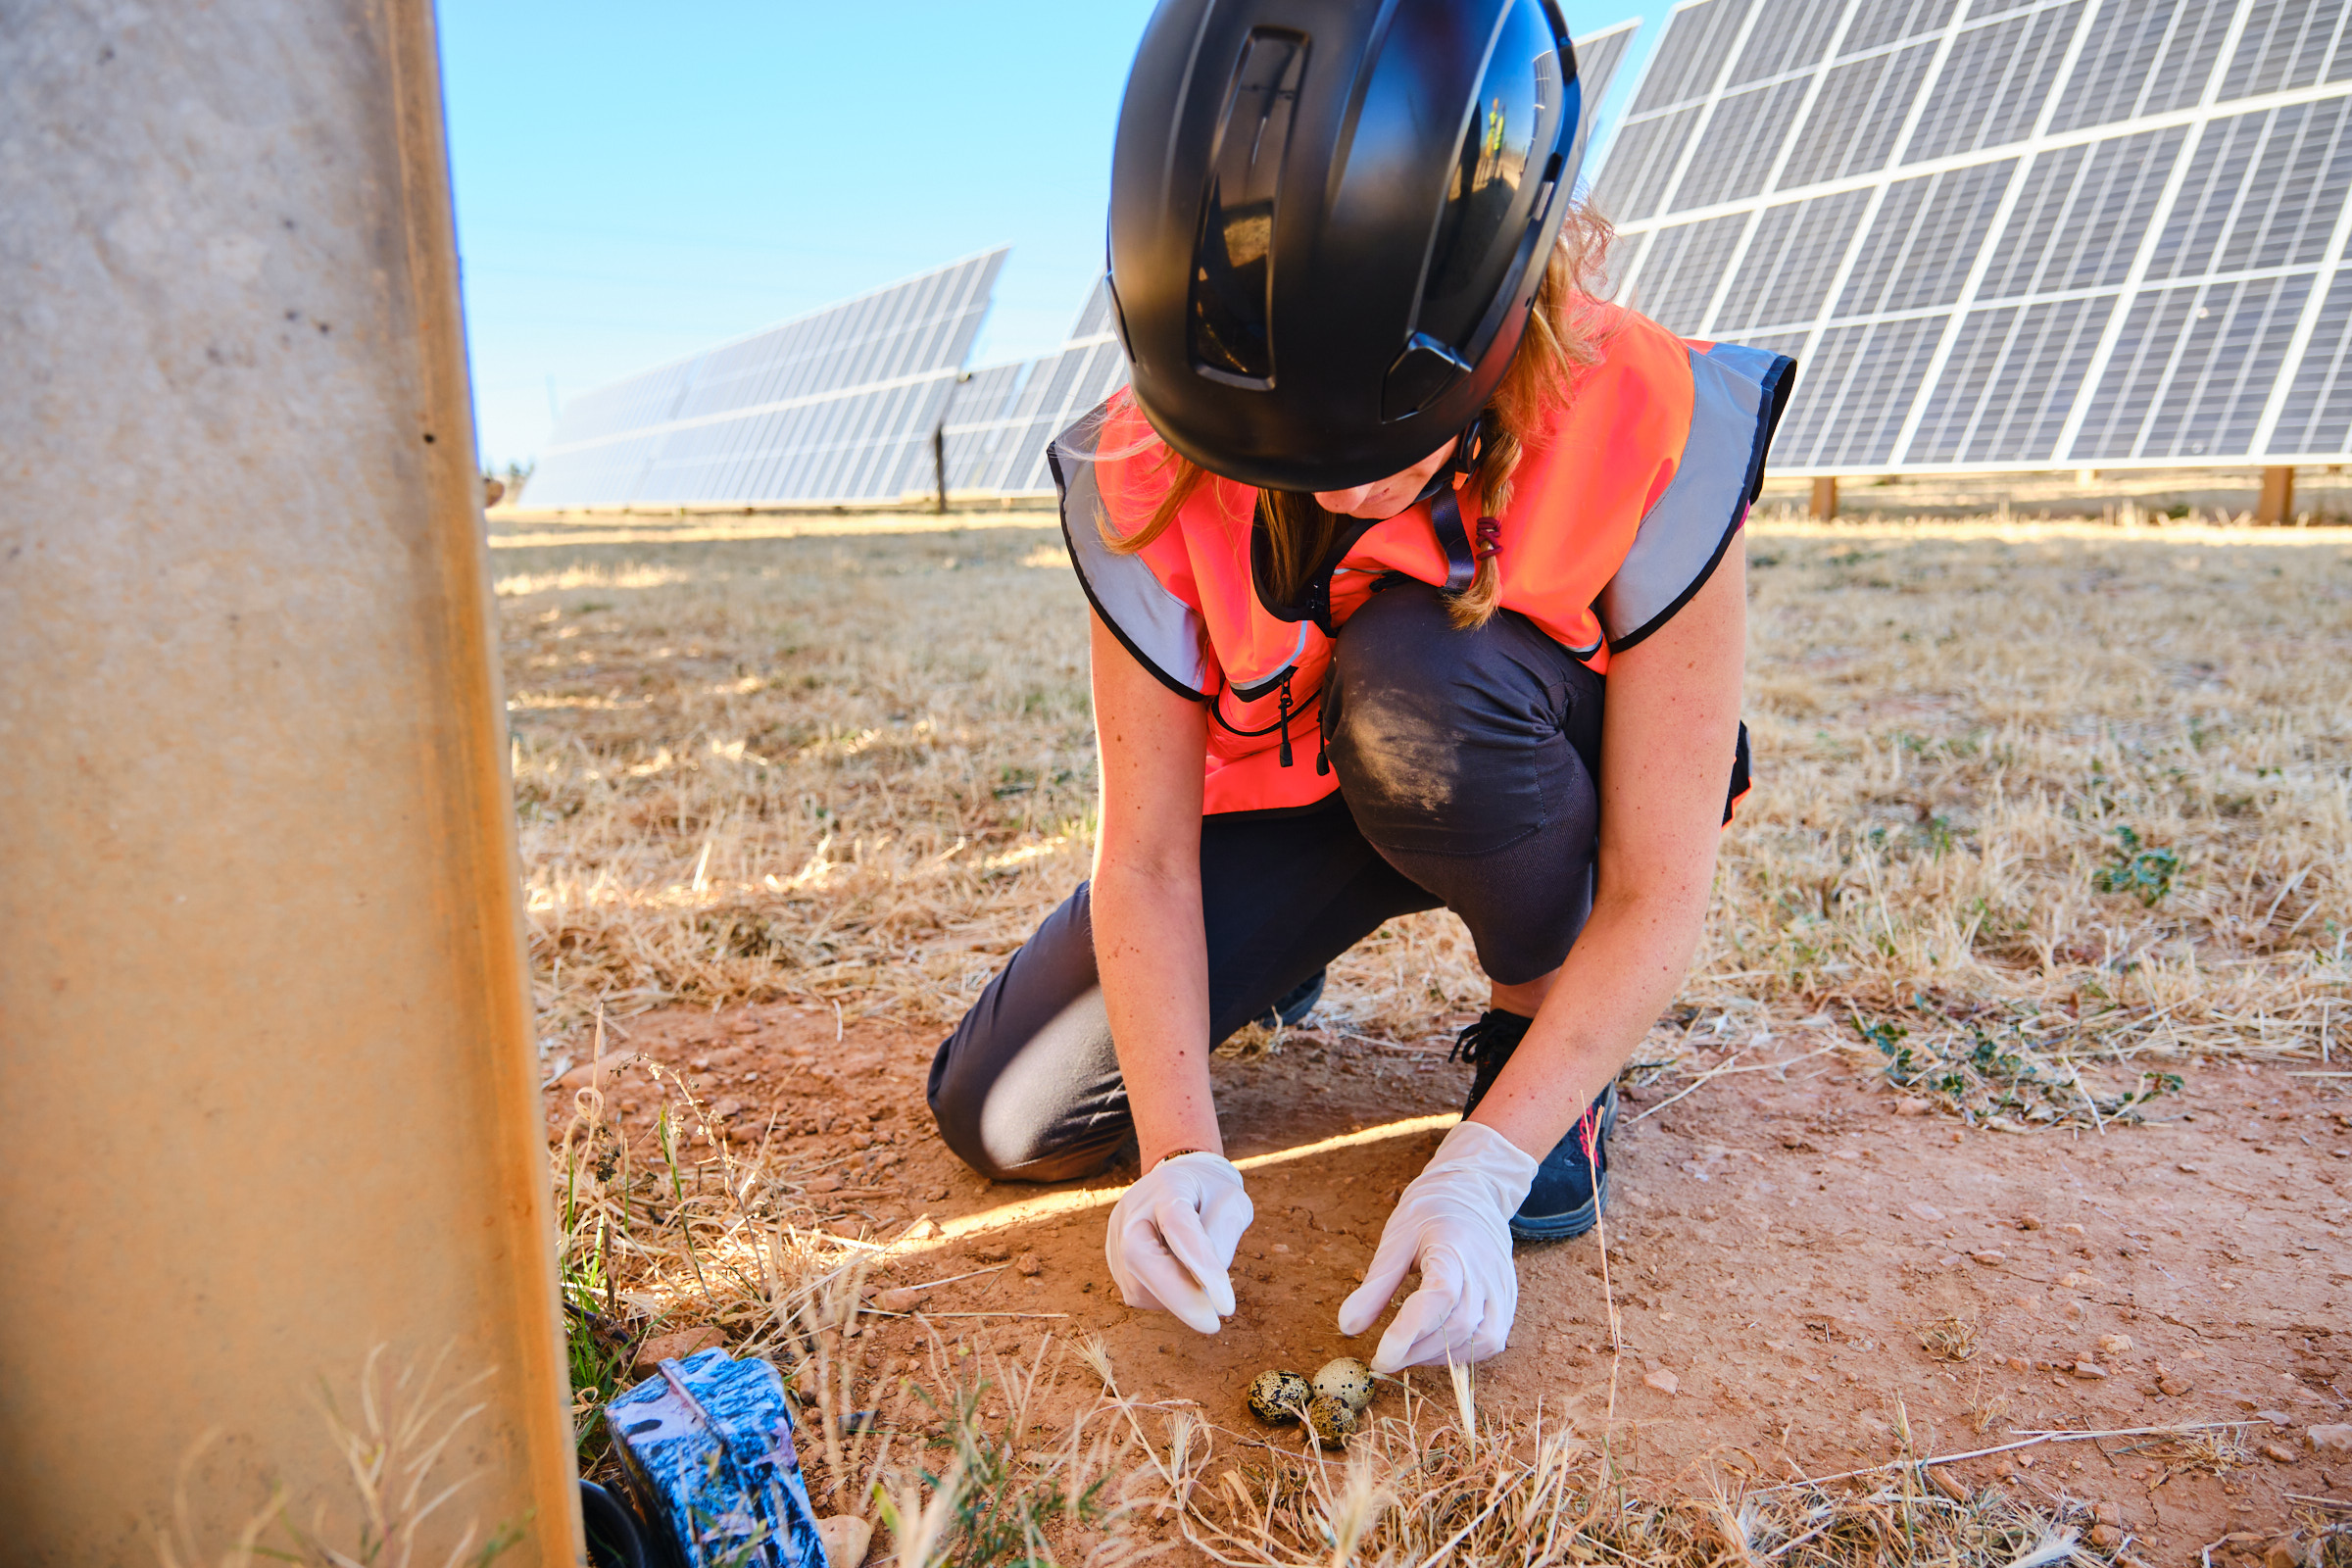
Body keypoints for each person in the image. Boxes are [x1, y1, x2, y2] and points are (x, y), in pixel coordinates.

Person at [927, 0, 1793, 1374]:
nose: (1336, 488)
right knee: (1007, 1116)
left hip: (1505, 766)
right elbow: (1143, 858)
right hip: (1306, 798)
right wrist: (1176, 1146)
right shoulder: (1140, 469)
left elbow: (1659, 886)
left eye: (1379, 435)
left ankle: (1537, 1033)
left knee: (1417, 691)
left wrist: (1489, 1165)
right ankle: (1292, 955)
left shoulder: (1650, 417)